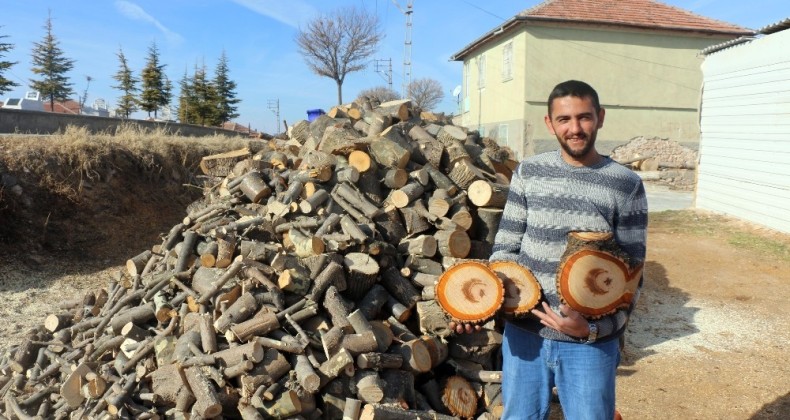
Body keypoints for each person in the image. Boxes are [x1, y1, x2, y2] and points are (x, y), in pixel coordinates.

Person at [451, 80, 648, 419]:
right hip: (524, 338)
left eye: (584, 118)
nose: (575, 129)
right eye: (564, 120)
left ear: (600, 117)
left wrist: (592, 330)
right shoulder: (530, 171)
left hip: (589, 346)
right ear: (549, 123)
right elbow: (506, 249)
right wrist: (479, 306)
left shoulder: (625, 184)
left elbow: (633, 277)